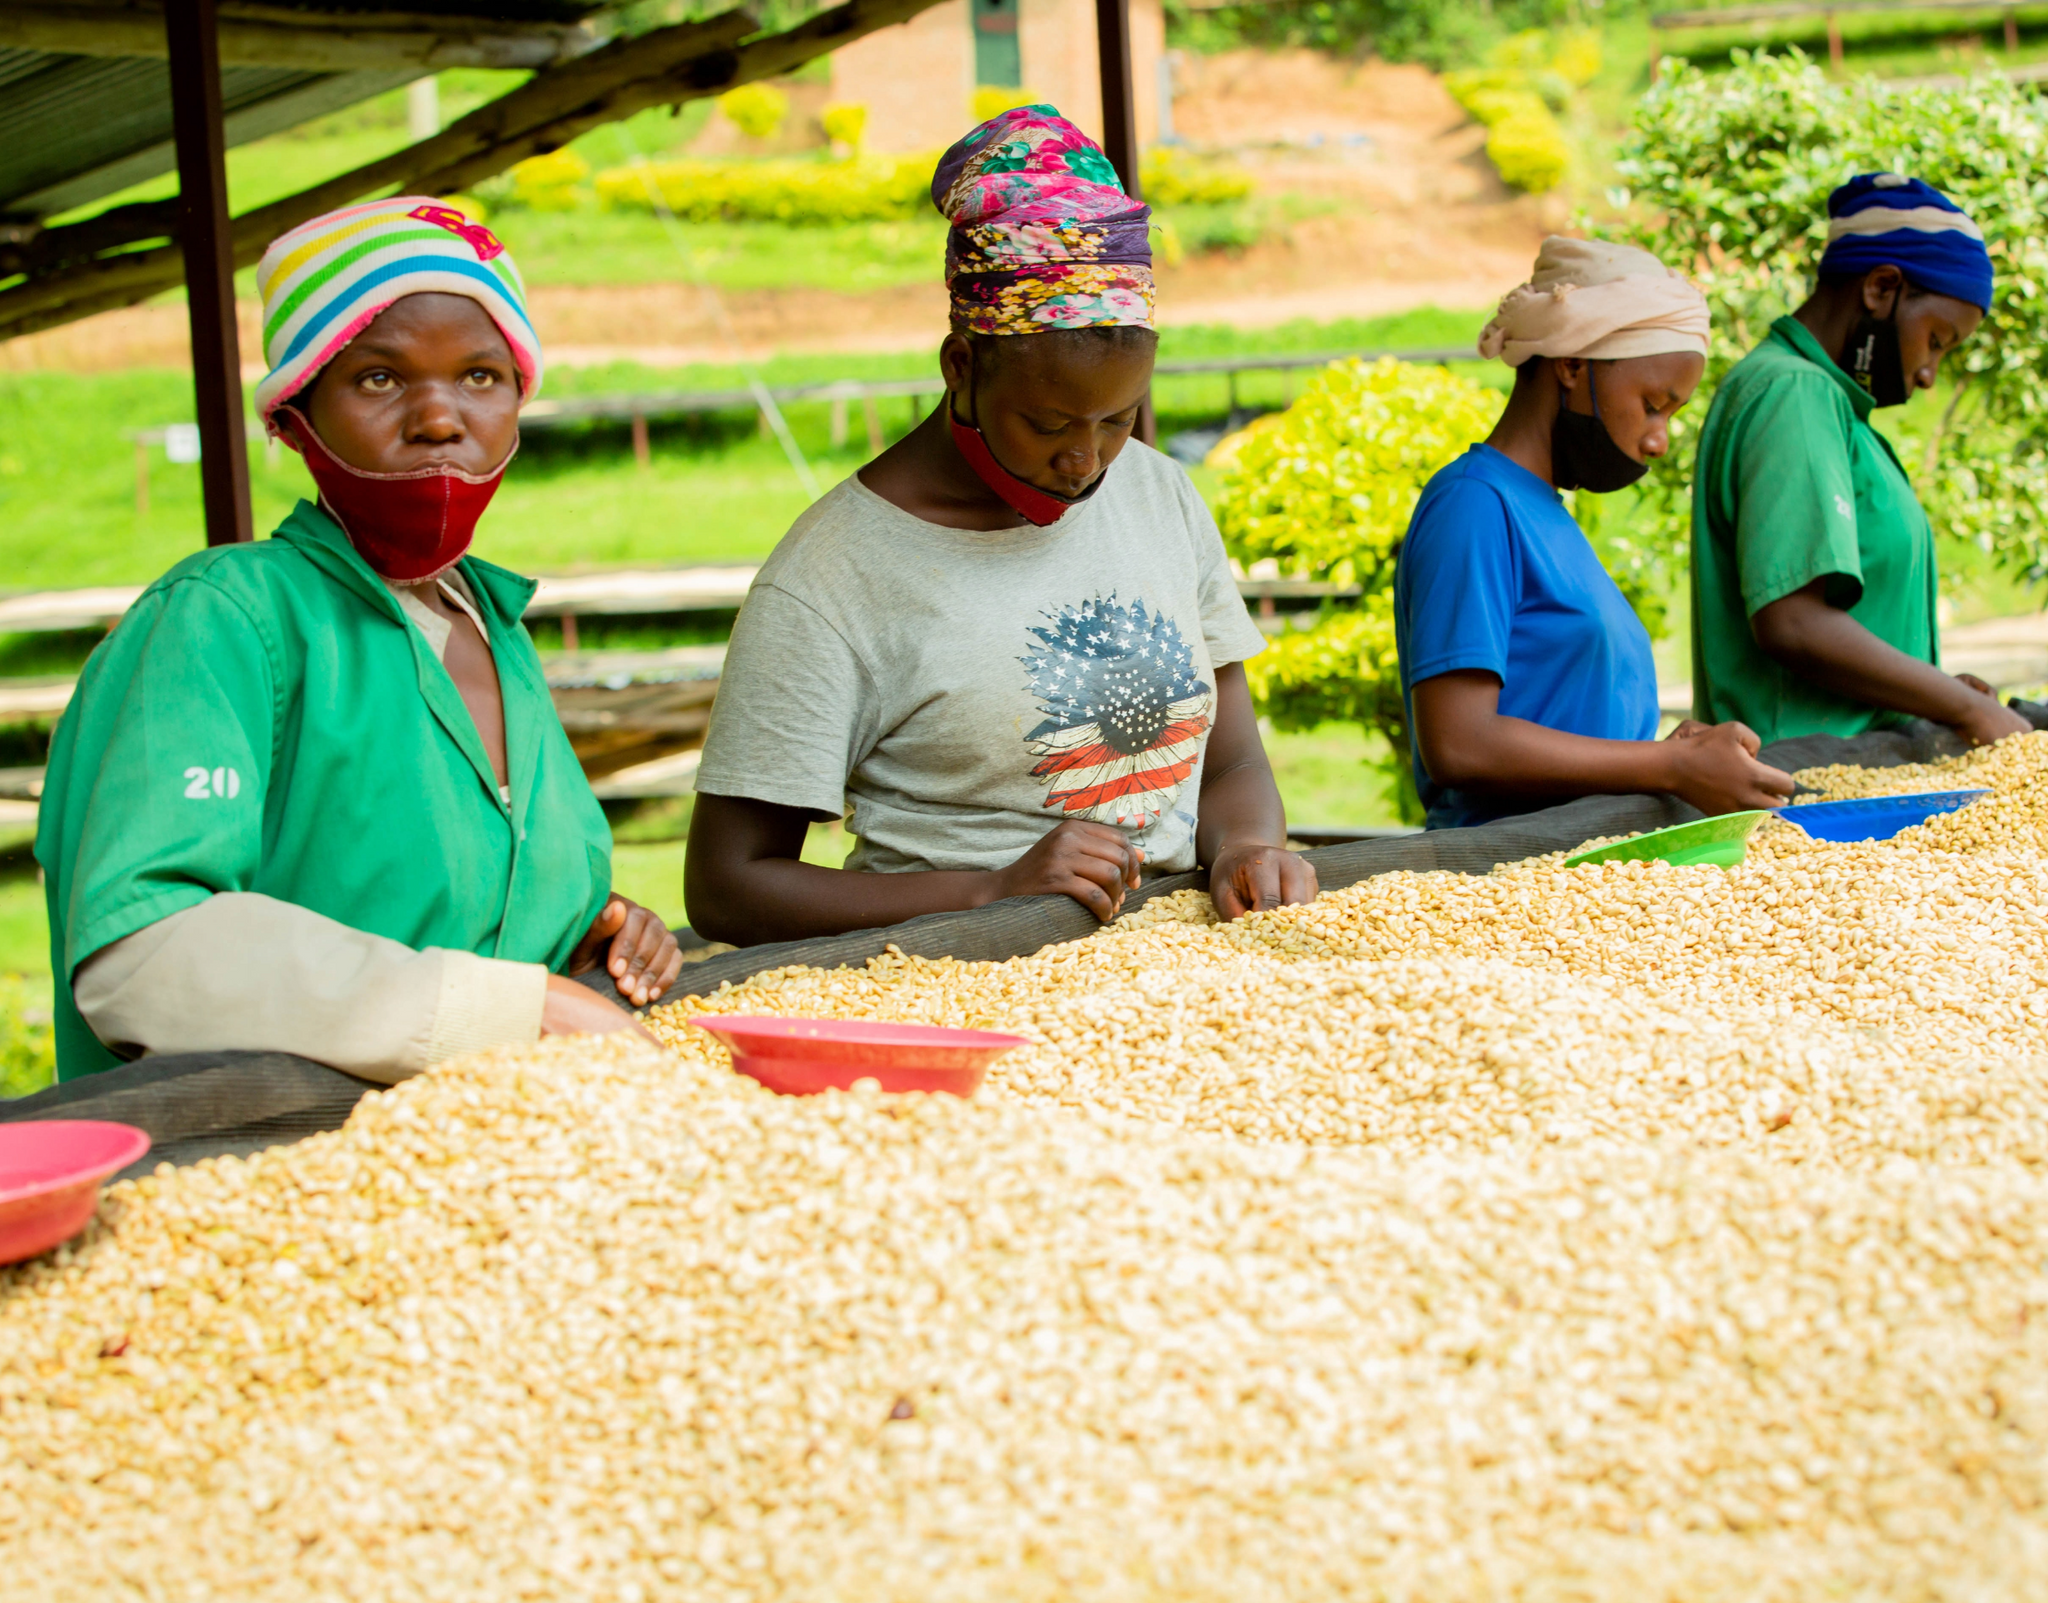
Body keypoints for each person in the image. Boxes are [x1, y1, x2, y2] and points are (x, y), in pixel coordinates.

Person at [37, 198, 683, 1084]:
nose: (440, 417)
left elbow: (447, 912)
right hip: (264, 1153)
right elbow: (144, 951)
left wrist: (582, 927)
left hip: (495, 1149)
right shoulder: (223, 620)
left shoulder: (492, 627)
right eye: (379, 378)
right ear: (293, 416)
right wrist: (510, 1010)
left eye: (481, 375)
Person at [685, 105, 1315, 944]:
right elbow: (727, 886)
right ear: (961, 367)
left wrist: (1246, 846)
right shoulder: (832, 577)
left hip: (1168, 962)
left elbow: (1230, 759)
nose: (1085, 459)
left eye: (1118, 419)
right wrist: (990, 891)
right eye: (1048, 425)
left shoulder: (1159, 494)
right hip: (951, 973)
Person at [1394, 236, 1795, 831]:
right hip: (1502, 869)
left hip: (1581, 866)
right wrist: (1668, 766)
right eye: (1653, 404)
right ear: (1573, 365)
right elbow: (1460, 744)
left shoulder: (1546, 512)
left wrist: (1671, 756)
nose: (1659, 440)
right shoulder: (1474, 504)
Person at [1690, 173, 2028, 748]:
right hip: (1804, 774)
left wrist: (1931, 691)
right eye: (1937, 340)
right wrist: (1967, 709)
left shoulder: (1831, 407)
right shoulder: (1794, 393)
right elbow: (1793, 623)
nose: (1929, 374)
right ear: (1881, 287)